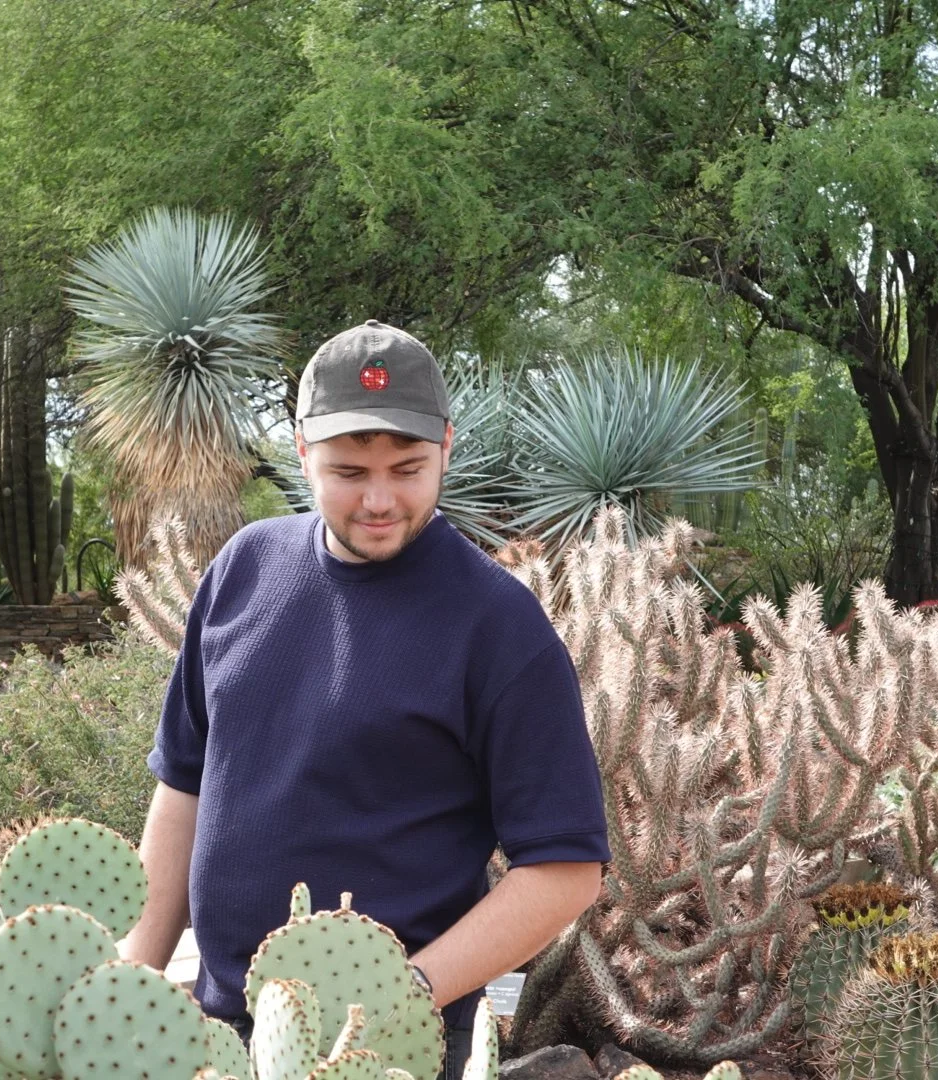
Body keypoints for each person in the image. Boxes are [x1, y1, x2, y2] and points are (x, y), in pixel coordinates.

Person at [117, 319, 611, 1078]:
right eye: (349, 472)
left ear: (446, 445)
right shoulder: (242, 569)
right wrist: (134, 985)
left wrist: (404, 992)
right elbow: (182, 789)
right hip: (215, 1035)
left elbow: (566, 868)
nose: (380, 500)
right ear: (301, 447)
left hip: (388, 1050)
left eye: (408, 469)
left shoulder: (498, 625)